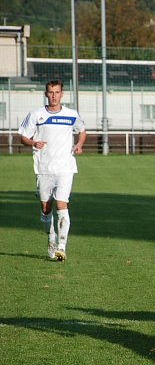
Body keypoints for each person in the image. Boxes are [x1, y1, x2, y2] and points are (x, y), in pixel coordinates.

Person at [19, 79, 87, 261]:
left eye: (57, 92)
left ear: (62, 94)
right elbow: (23, 136)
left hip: (65, 167)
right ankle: (51, 238)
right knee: (46, 209)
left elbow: (81, 130)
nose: (54, 96)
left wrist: (79, 144)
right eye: (51, 92)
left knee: (61, 204)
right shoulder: (36, 115)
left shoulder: (71, 114)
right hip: (43, 167)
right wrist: (34, 142)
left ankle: (62, 247)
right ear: (46, 94)